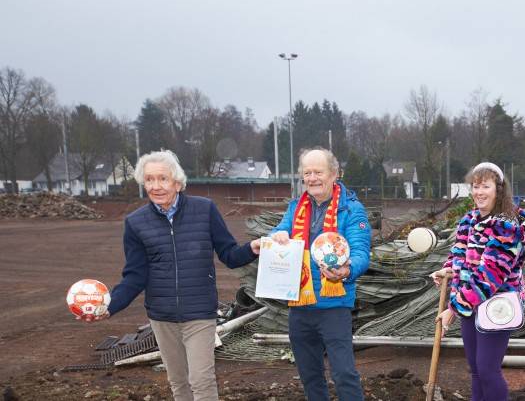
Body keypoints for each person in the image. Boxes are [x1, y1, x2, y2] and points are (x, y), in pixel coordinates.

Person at [79, 149, 262, 401]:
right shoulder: (135, 223)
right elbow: (134, 276)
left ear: (177, 182)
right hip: (162, 316)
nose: (156, 186)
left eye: (162, 178)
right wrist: (108, 305)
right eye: (150, 180)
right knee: (179, 383)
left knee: (201, 380)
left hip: (199, 313)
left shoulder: (205, 210)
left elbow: (229, 255)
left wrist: (253, 248)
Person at [269, 148, 371, 401]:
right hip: (300, 305)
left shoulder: (352, 210)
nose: (312, 178)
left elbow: (360, 252)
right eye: (307, 173)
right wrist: (276, 236)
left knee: (344, 374)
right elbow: (278, 231)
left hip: (334, 306)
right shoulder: (296, 207)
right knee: (310, 376)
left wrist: (346, 270)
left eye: (318, 172)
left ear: (334, 174)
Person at [429, 162, 525, 401]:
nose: (479, 192)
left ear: (499, 189)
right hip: (470, 304)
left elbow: (489, 276)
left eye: (485, 186)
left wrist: (453, 309)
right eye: (475, 187)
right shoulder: (469, 219)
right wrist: (446, 270)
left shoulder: (506, 225)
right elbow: (459, 254)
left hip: (497, 305)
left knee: (487, 369)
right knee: (475, 370)